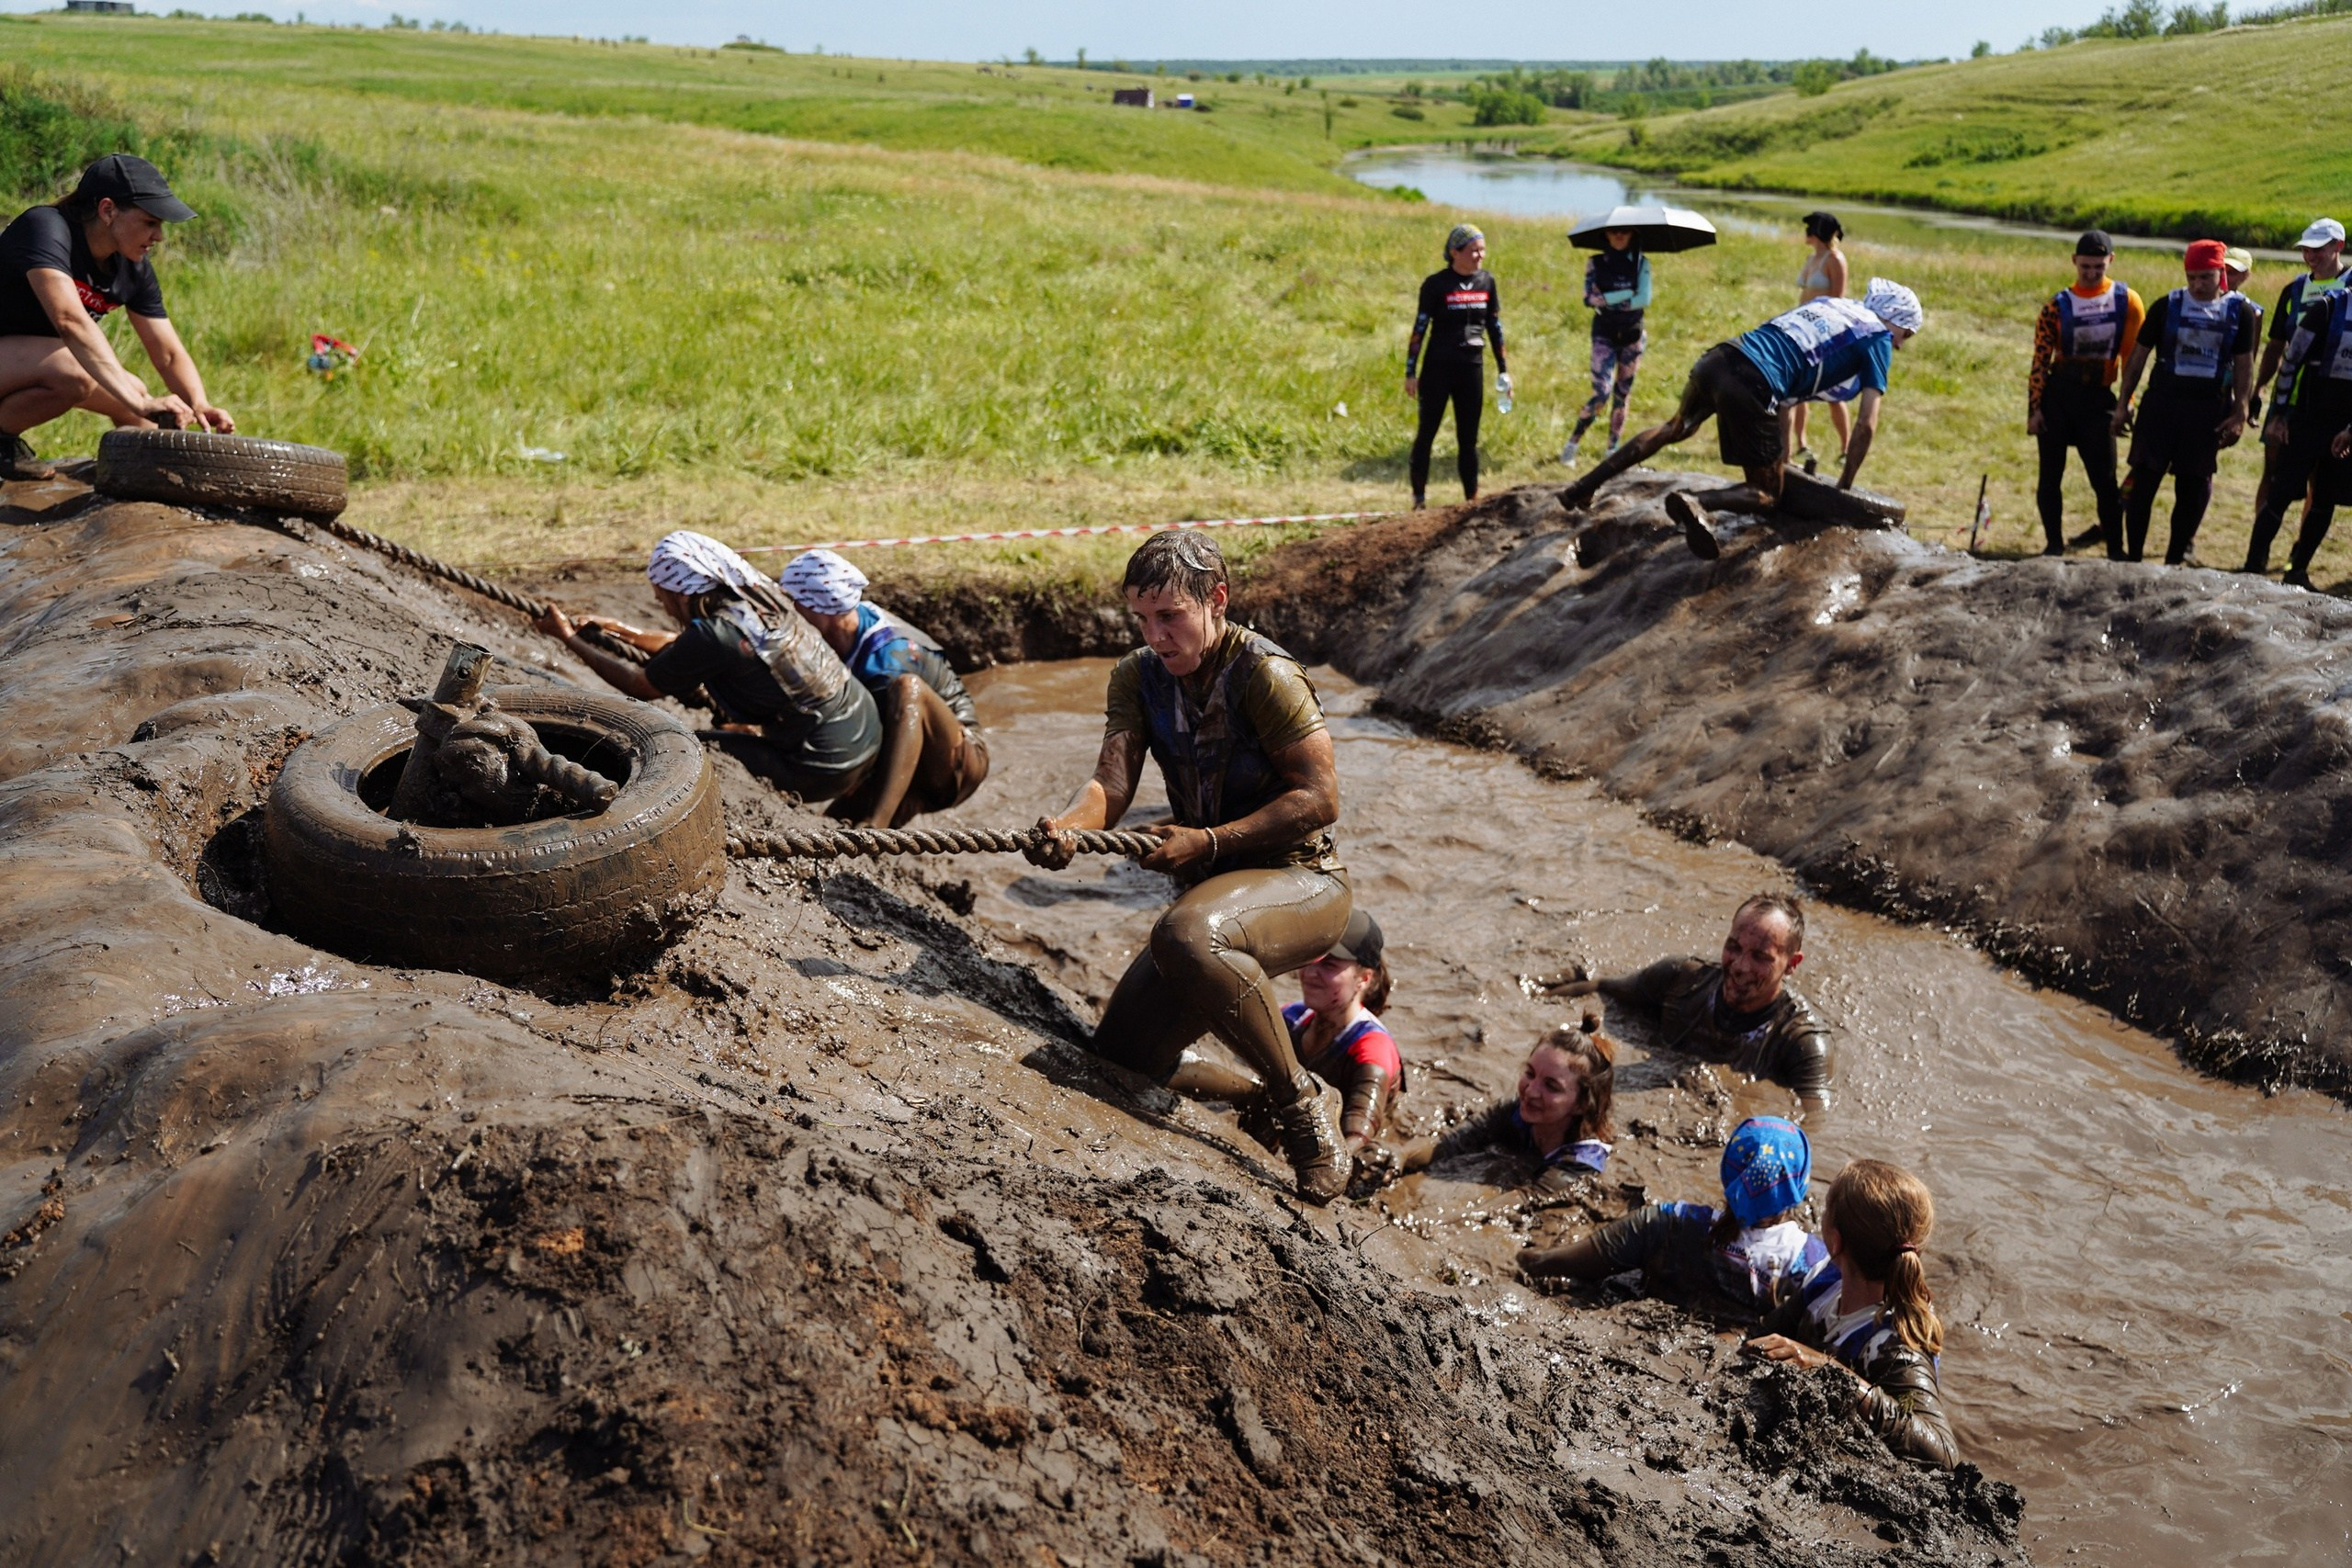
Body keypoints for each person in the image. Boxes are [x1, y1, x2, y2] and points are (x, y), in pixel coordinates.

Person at [1024, 531, 1353, 1201]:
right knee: (1119, 1059)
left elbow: (1321, 799)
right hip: (1211, 898)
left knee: (1183, 933)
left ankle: (1303, 1111)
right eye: (1142, 619)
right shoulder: (1136, 676)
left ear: (1217, 601)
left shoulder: (1265, 672)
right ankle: (1263, 1092)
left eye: (1170, 615)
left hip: (1304, 883)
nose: (1157, 634)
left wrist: (1205, 842)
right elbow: (1109, 789)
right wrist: (1065, 828)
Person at [1556, 278, 1925, 559]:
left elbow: (1789, 392)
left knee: (1674, 429)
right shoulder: (1876, 336)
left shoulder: (1831, 306)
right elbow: (1867, 423)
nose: (1900, 346)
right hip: (1754, 382)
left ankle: (1582, 487)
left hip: (1721, 357)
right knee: (1766, 495)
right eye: (1904, 335)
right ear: (1894, 320)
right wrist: (1845, 483)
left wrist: (1779, 457)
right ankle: (1697, 502)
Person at [532, 531, 888, 818]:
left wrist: (567, 638)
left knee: (685, 751)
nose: (660, 605)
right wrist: (621, 631)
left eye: (662, 597)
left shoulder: (716, 635)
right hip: (864, 727)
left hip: (822, 764)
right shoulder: (757, 599)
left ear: (680, 593)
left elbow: (640, 684)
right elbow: (689, 645)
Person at [1, 153, 233, 480]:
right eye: (150, 222)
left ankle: (151, 481)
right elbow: (70, 320)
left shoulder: (132, 267)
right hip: (18, 360)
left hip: (23, 364)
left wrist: (198, 404)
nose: (159, 237)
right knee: (78, 375)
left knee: (139, 399)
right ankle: (3, 443)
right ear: (107, 210)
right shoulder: (45, 227)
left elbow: (167, 354)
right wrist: (135, 401)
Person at [1743, 1158, 1961, 1470]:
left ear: (1835, 1240)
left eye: (1827, 1207)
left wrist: (1828, 1370)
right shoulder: (1829, 1281)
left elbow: (1944, 1454)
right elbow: (1763, 1333)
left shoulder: (1896, 1347)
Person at [1531, 892, 1832, 1103]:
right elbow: (1601, 987)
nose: (1740, 967)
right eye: (1734, 947)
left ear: (1792, 964)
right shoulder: (1682, 979)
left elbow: (1815, 1122)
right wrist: (1534, 1000)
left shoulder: (1802, 1043)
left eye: (1760, 957)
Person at [1518, 1115, 1827, 1317]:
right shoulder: (1814, 1264)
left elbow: (1560, 1264)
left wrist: (1522, 1258)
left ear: (1727, 1173)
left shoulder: (1668, 1223)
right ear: (1799, 1185)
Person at [1167, 907, 1405, 1165]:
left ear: (1364, 979)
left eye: (1329, 965)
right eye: (1312, 958)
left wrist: (1333, 1163)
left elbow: (1360, 1131)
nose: (1311, 972)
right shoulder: (1293, 1016)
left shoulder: (1372, 1047)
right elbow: (1241, 1073)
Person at [774, 548, 990, 825]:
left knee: (907, 689)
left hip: (956, 762)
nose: (789, 613)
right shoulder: (848, 625)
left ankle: (878, 824)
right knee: (824, 831)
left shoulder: (888, 661)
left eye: (794, 603)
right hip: (907, 764)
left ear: (821, 608)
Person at [2109, 239, 2257, 565]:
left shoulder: (2240, 312)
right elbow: (2137, 358)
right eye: (2191, 277)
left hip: (2206, 411)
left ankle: (2174, 560)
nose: (2197, 285)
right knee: (2143, 483)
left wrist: (2240, 410)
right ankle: (2133, 559)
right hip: (2162, 406)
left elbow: (2245, 363)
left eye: (2205, 277)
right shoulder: (2167, 305)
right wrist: (2123, 403)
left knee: (2192, 488)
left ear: (2221, 273)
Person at [1401, 1014, 1616, 1193]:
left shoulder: (1582, 1162)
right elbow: (1451, 1144)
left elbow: (1528, 1199)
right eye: (1530, 1074)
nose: (1531, 1091)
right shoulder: (1516, 1112)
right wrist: (1401, 1156)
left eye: (1551, 1086)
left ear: (1581, 1104)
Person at [2026, 231, 2143, 558]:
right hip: (2059, 395)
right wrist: (2034, 410)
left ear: (2111, 262)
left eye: (2099, 267)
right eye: (2085, 267)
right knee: (2050, 476)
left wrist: (2126, 404)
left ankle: (2116, 550)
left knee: (2104, 480)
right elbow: (2040, 361)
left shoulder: (2127, 301)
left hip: (2098, 398)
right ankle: (2053, 545)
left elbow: (2132, 359)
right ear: (2074, 262)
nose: (2091, 274)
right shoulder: (2055, 306)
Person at [2244, 278, 2352, 588]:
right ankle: (2253, 566)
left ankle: (2298, 571)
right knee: (2281, 491)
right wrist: (2279, 415)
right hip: (2306, 420)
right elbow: (2290, 362)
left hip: (2343, 429)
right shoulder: (2328, 307)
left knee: (2324, 499)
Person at [2249, 218, 2348, 544]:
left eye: (2319, 249)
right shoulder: (2294, 289)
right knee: (2274, 474)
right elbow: (2277, 344)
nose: (2311, 256)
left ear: (2339, 247)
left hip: (2333, 402)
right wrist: (2260, 387)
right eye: (2306, 249)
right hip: (2289, 397)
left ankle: (2298, 557)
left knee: (2321, 484)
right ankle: (2258, 549)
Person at [1405, 223, 1509, 511]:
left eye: (1482, 250)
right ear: (1455, 252)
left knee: (1468, 439)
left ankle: (1471, 501)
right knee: (1427, 433)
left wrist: (1504, 371)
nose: (1480, 256)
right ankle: (1419, 500)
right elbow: (1419, 329)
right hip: (1438, 369)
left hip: (1471, 369)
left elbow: (1495, 327)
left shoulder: (1487, 282)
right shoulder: (1436, 284)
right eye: (1474, 250)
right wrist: (1410, 372)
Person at [1560, 226, 1649, 468]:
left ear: (1633, 234)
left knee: (1622, 394)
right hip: (1604, 335)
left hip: (1632, 335)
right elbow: (1589, 299)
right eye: (1614, 232)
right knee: (1601, 392)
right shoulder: (1595, 262)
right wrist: (1626, 294)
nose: (1619, 236)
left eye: (1625, 232)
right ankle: (1572, 445)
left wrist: (1608, 298)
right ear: (1606, 236)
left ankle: (1612, 450)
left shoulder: (1641, 263)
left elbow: (1643, 300)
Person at [1788, 210, 1853, 472]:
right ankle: (1800, 442)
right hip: (1802, 328)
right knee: (1799, 389)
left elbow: (1837, 298)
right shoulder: (1812, 257)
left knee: (1834, 391)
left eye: (1808, 229)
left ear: (1817, 232)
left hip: (1824, 330)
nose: (1805, 233)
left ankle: (1846, 448)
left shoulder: (1835, 260)